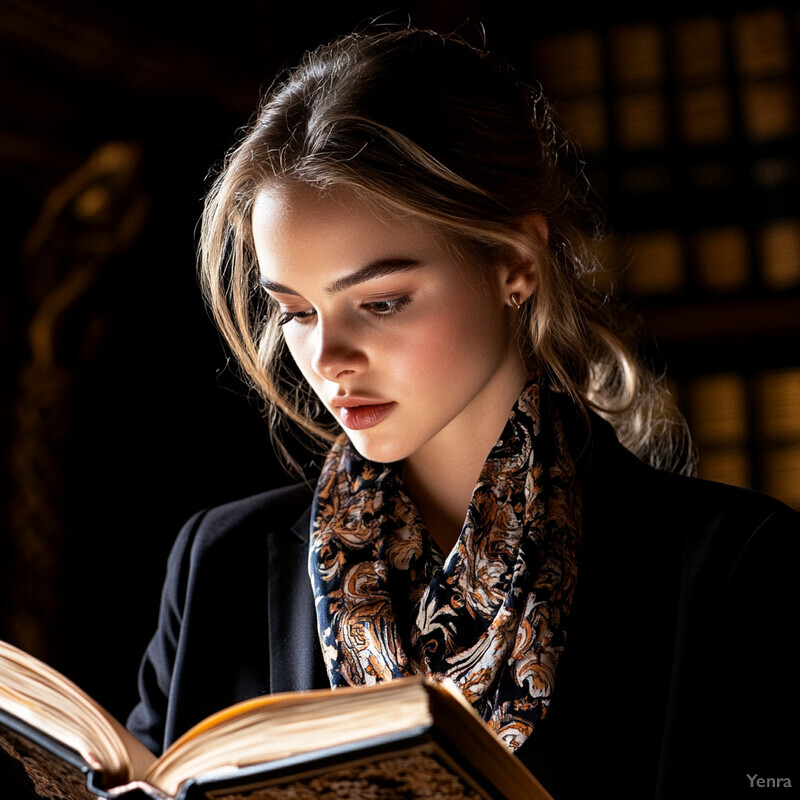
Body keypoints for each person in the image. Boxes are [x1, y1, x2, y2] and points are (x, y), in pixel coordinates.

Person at [127, 25, 797, 799]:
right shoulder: (221, 564)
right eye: (298, 312)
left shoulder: (738, 570)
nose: (330, 357)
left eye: (380, 302)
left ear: (515, 265)